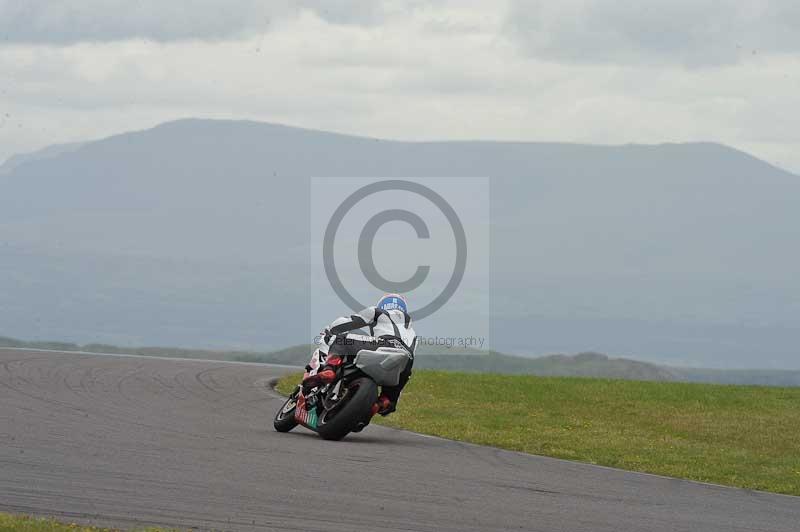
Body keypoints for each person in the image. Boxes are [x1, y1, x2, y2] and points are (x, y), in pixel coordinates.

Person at [303, 293, 417, 416]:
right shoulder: (412, 331)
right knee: (392, 394)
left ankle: (330, 369)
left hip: (384, 344)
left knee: (341, 340)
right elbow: (411, 356)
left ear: (383, 305)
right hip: (405, 360)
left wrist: (331, 329)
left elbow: (349, 322)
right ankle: (381, 403)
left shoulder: (377, 312)